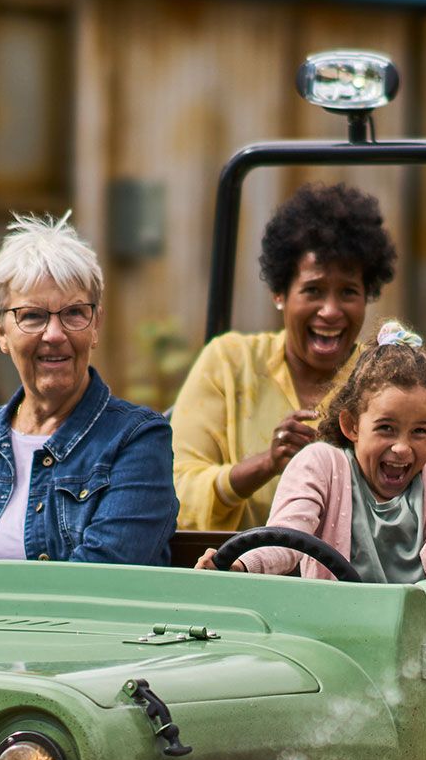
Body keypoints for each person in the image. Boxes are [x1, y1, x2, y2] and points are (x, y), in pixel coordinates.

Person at [0, 213, 176, 563]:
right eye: (33, 316)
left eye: (74, 313)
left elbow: (107, 579)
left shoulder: (136, 440)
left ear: (95, 325)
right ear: (1, 332)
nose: (55, 335)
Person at [200, 327, 426, 581]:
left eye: (419, 432)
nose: (401, 447)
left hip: (413, 644)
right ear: (352, 425)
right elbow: (288, 538)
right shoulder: (321, 464)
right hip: (334, 636)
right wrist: (242, 564)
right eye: (386, 428)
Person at [169, 183, 403, 530]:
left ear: (367, 296)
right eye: (313, 290)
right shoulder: (230, 362)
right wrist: (267, 463)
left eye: (348, 292)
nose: (330, 311)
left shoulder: (391, 377)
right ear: (280, 293)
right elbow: (175, 492)